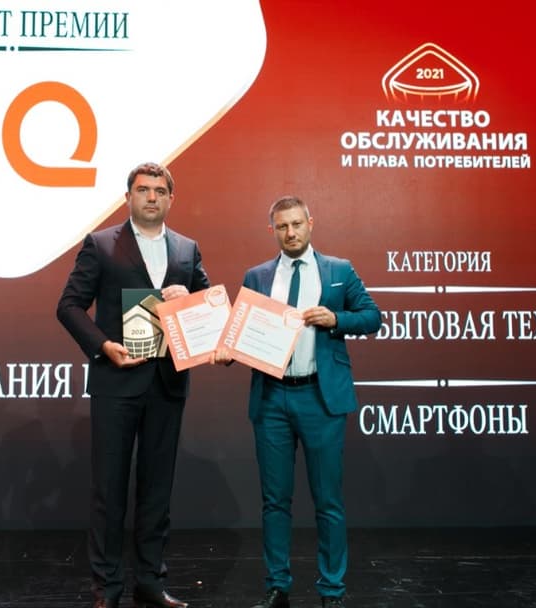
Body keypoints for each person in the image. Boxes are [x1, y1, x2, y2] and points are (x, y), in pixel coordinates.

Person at [214, 195, 381, 608]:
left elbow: (373, 317)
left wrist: (336, 319)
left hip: (320, 397)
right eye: (282, 226)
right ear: (272, 229)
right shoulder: (256, 276)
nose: (290, 232)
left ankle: (332, 591)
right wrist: (227, 349)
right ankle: (278, 587)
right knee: (274, 501)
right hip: (272, 398)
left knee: (328, 501)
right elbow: (241, 332)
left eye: (296, 224)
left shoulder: (338, 270)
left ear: (310, 223)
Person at [57, 162, 209, 608]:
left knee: (157, 489)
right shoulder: (102, 244)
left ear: (171, 198)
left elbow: (207, 306)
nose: (151, 197)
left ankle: (150, 581)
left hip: (167, 382)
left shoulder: (187, 249)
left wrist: (191, 299)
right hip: (116, 380)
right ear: (128, 197)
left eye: (160, 190)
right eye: (143, 190)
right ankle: (107, 588)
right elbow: (69, 306)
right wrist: (103, 346)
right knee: (109, 489)